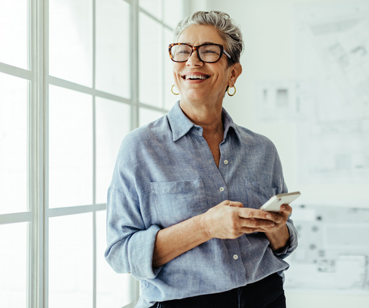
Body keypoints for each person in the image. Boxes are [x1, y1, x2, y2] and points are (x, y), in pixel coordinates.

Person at [105, 11, 297, 308]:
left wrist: (275, 227)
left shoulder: (263, 150)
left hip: (265, 296)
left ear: (233, 73)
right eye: (183, 51)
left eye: (208, 52)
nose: (192, 62)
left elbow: (283, 245)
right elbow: (121, 253)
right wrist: (206, 227)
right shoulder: (140, 148)